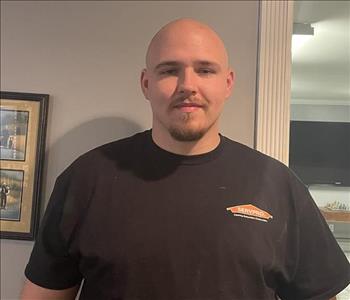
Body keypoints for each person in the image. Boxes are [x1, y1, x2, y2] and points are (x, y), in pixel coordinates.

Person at [21, 18, 349, 300]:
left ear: (227, 83)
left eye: (205, 70)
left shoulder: (279, 185)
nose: (188, 85)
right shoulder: (86, 179)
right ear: (146, 84)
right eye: (169, 71)